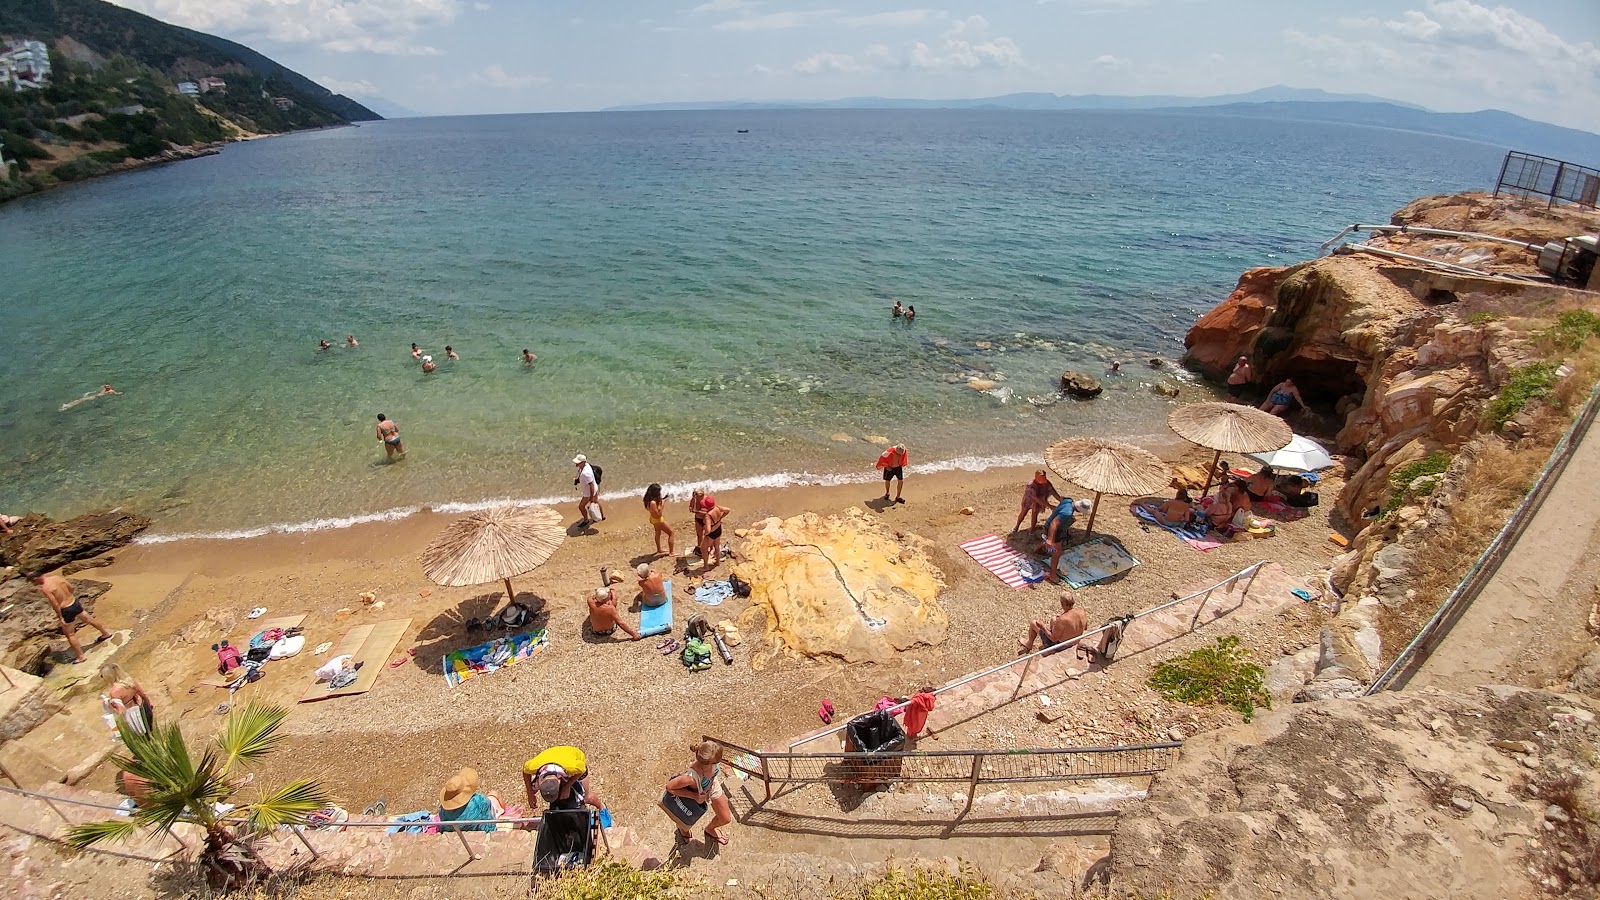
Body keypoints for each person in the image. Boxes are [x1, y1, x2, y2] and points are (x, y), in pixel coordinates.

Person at [663, 740, 734, 847]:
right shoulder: (690, 778)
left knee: (725, 818)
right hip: (695, 795)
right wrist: (694, 796)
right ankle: (683, 830)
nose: (718, 763)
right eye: (716, 762)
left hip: (713, 786)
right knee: (684, 818)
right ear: (707, 763)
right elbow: (669, 787)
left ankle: (710, 829)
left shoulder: (712, 756)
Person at [32, 571, 113, 663]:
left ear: (36, 579)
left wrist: (60, 617)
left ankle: (80, 656)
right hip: (74, 602)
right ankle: (106, 633)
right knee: (88, 619)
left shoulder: (45, 588)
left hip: (66, 609)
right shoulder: (56, 577)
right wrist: (68, 597)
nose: (34, 585)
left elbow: (54, 603)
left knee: (69, 633)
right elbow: (71, 587)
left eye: (33, 582)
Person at [523, 746, 604, 812]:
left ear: (559, 781)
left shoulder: (572, 768)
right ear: (539, 782)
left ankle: (602, 808)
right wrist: (530, 794)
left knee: (586, 798)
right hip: (552, 758)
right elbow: (525, 771)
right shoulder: (532, 767)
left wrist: (567, 786)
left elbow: (582, 770)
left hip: (576, 762)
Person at [1019, 592, 1088, 655]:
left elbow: (1053, 638)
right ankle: (1047, 643)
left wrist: (1043, 627)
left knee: (1033, 623)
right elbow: (1085, 627)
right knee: (1054, 619)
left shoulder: (1062, 620)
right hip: (1075, 640)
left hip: (1061, 645)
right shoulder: (1082, 612)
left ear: (1062, 604)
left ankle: (1029, 644)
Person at [439, 768, 504, 832]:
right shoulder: (478, 801)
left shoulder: (443, 811)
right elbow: (488, 822)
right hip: (480, 831)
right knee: (493, 793)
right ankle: (505, 811)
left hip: (458, 833)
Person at [1041, 500, 1090, 583]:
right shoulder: (1067, 513)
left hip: (1055, 528)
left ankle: (1039, 548)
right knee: (1057, 552)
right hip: (1053, 530)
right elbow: (1054, 524)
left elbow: (1060, 499)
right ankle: (1052, 575)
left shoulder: (1068, 500)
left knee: (1055, 545)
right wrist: (1050, 539)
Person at [100, 664, 153, 735]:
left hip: (134, 718)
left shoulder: (114, 692)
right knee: (152, 733)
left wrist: (111, 706)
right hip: (144, 708)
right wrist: (149, 705)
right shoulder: (130, 682)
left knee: (144, 740)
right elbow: (143, 695)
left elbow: (121, 712)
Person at [643, 483, 675, 557]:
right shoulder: (653, 503)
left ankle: (659, 549)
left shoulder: (648, 500)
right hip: (658, 520)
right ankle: (671, 552)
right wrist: (662, 504)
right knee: (671, 533)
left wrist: (660, 501)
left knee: (658, 533)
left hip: (653, 519)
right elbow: (658, 515)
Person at [700, 495, 731, 569]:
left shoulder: (708, 515)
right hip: (718, 529)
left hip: (712, 533)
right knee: (717, 547)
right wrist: (721, 517)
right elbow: (728, 510)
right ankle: (717, 562)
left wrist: (706, 534)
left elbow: (708, 529)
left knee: (703, 548)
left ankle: (706, 566)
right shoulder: (717, 508)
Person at [574, 455, 603, 528]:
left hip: (589, 493)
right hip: (595, 487)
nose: (576, 464)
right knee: (596, 502)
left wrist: (590, 497)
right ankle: (602, 516)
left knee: (581, 506)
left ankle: (586, 520)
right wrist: (578, 480)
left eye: (578, 462)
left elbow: (591, 486)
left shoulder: (585, 473)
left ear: (583, 462)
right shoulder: (587, 465)